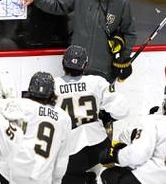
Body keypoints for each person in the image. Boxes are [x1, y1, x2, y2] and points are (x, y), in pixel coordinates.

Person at [21, 0, 137, 83]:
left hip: (104, 70)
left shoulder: (121, 1)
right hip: (76, 67)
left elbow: (130, 32)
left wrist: (123, 59)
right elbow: (57, 5)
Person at [54, 45, 129, 184]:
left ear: (63, 63)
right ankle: (91, 178)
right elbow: (123, 110)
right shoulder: (96, 82)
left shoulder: (53, 85)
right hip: (99, 147)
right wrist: (108, 116)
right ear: (85, 65)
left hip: (72, 154)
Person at [8, 71, 72, 184]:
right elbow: (62, 158)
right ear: (52, 92)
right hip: (42, 177)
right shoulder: (64, 117)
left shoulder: (19, 104)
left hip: (12, 173)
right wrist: (57, 180)